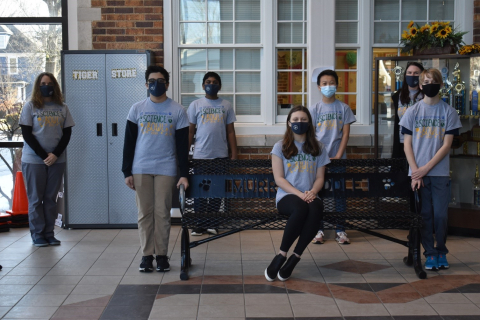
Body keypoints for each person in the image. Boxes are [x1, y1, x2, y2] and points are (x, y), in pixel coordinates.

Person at [122, 65, 189, 273]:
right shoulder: (137, 109)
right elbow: (129, 143)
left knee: (162, 213)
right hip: (141, 167)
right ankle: (146, 256)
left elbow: (182, 146)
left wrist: (184, 174)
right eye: (151, 81)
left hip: (166, 168)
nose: (156, 85)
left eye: (160, 81)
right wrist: (127, 171)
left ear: (167, 84)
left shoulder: (178, 110)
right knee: (144, 213)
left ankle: (161, 256)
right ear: (145, 84)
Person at [399, 68, 461, 271]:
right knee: (424, 215)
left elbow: (446, 145)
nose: (429, 84)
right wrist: (416, 171)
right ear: (420, 84)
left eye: (433, 81)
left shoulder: (449, 112)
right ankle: (430, 254)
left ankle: (441, 250)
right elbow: (407, 144)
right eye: (425, 81)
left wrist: (425, 168)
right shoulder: (412, 111)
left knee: (441, 215)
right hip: (418, 175)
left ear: (441, 84)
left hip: (439, 172)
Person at [265, 106, 330, 282]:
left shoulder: (319, 147)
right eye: (295, 120)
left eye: (303, 120)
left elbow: (319, 178)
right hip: (287, 196)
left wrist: (313, 192)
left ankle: (295, 257)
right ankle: (281, 254)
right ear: (288, 123)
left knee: (316, 208)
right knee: (301, 208)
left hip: (310, 194)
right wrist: (300, 194)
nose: (299, 123)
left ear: (309, 123)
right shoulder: (281, 146)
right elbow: (279, 179)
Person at [20, 72, 75, 247]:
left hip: (57, 160)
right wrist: (45, 156)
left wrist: (55, 154)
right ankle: (37, 234)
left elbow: (67, 134)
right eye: (43, 83)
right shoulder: (30, 107)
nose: (47, 86)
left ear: (55, 86)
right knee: (36, 199)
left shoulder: (62, 107)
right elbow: (27, 135)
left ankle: (49, 233)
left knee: (51, 199)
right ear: (38, 86)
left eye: (50, 83)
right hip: (34, 160)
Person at [187, 72, 238, 236]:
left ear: (219, 86)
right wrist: (186, 152)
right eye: (208, 82)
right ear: (203, 85)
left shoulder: (226, 105)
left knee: (217, 191)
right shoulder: (195, 105)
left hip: (220, 156)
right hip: (200, 156)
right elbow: (190, 132)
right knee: (200, 192)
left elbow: (231, 132)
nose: (211, 84)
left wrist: (234, 152)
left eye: (215, 82)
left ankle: (213, 223)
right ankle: (199, 224)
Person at [309, 69, 356, 245]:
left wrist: (338, 155)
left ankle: (340, 230)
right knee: (317, 195)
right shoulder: (314, 108)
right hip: (318, 161)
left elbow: (345, 135)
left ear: (337, 85)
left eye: (331, 83)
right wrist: (318, 157)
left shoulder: (343, 108)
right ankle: (318, 230)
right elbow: (311, 136)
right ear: (319, 86)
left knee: (339, 194)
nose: (328, 86)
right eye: (324, 83)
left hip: (338, 159)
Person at [392, 62, 424, 158]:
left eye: (416, 73)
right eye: (409, 73)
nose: (412, 75)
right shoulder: (398, 95)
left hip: (420, 142)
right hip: (402, 142)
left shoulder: (426, 95)